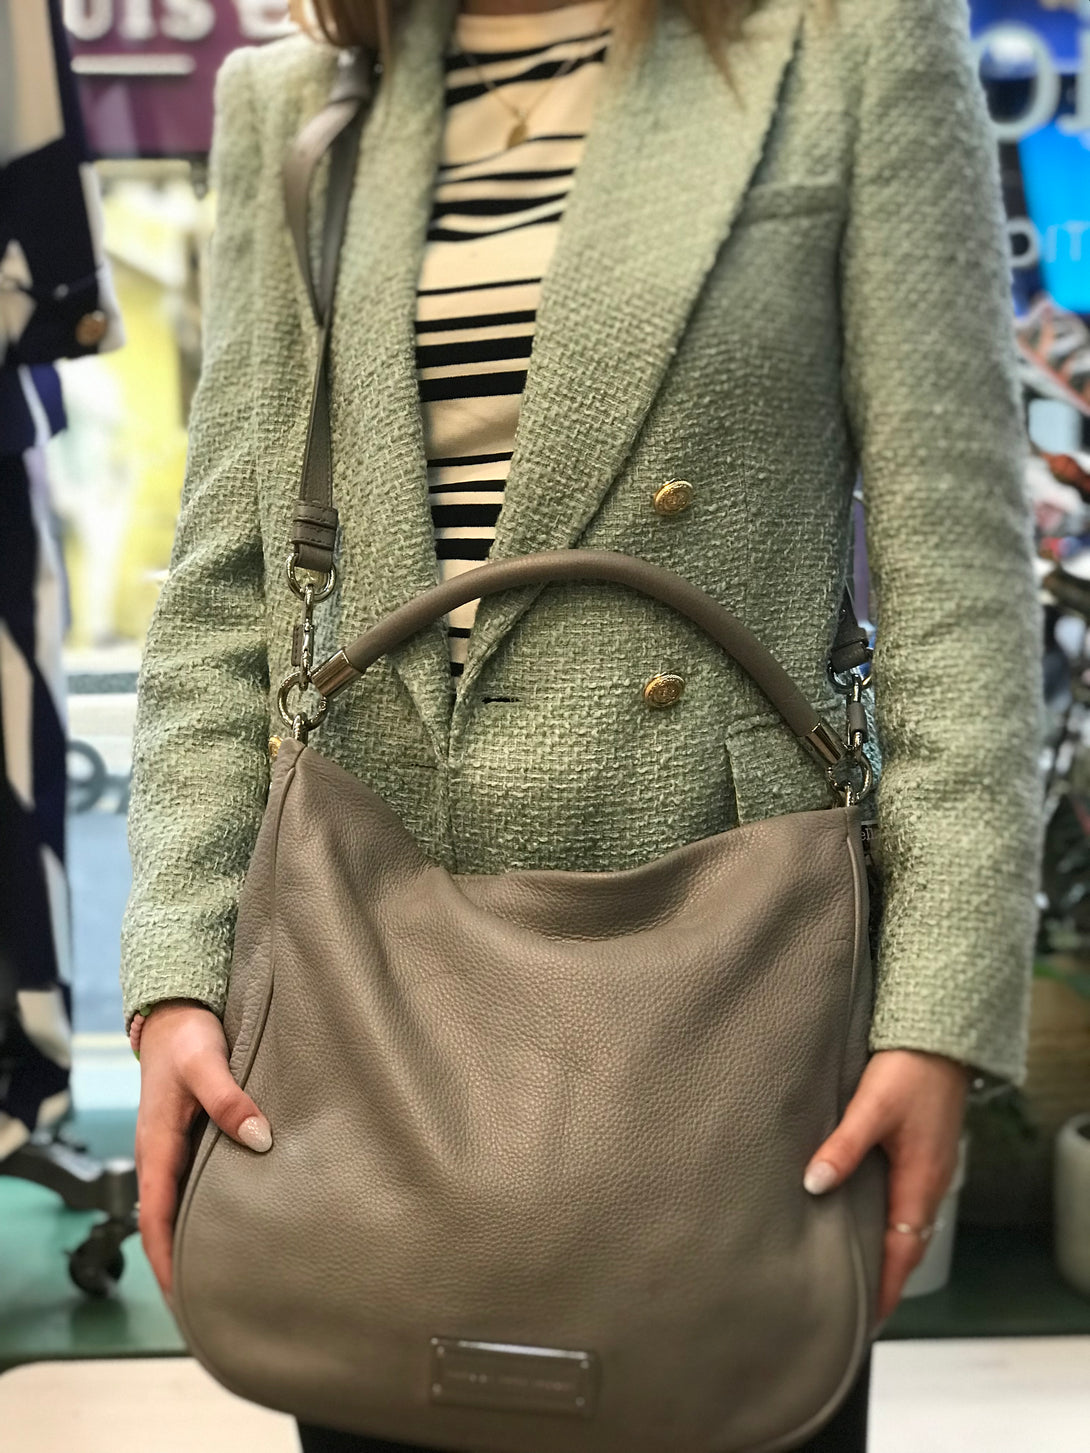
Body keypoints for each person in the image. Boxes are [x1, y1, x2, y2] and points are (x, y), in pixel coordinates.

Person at [120, 0, 1045, 1448]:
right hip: (364, 999)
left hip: (726, 991)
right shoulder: (299, 105)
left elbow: (959, 581)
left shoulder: (850, 48)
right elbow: (235, 581)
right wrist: (175, 971)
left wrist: (936, 1012)